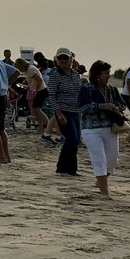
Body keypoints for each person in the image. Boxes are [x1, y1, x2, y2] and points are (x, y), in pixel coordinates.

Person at [78, 60, 126, 197]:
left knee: (113, 160)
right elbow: (81, 107)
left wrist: (116, 108)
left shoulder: (112, 89)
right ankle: (105, 192)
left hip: (110, 128)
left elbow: (123, 105)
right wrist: (102, 106)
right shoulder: (86, 88)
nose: (108, 76)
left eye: (109, 73)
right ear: (97, 75)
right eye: (106, 73)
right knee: (99, 159)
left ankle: (100, 181)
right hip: (90, 129)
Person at [45, 47, 83, 176]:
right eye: (60, 58)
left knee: (75, 140)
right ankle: (69, 168)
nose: (62, 60)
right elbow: (51, 95)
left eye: (65, 57)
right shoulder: (55, 74)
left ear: (70, 59)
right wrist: (59, 113)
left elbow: (80, 92)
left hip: (76, 111)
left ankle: (64, 167)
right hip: (63, 110)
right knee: (72, 138)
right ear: (56, 59)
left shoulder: (76, 74)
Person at [18, 58, 50, 140]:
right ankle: (41, 128)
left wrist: (35, 89)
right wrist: (26, 82)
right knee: (37, 110)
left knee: (37, 110)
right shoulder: (30, 69)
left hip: (41, 90)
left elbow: (39, 79)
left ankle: (48, 126)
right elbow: (33, 79)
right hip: (40, 90)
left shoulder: (30, 69)